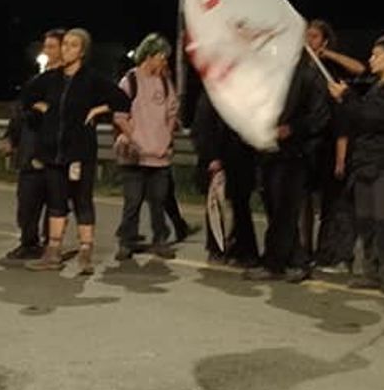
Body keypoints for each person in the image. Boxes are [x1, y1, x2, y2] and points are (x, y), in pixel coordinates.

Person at [20, 28, 131, 276]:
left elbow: (122, 100)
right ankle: (53, 252)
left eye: (72, 45)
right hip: (53, 154)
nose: (66, 49)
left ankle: (85, 253)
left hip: (80, 153)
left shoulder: (91, 79)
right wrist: (43, 108)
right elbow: (26, 96)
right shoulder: (51, 79)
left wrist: (98, 110)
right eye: (65, 44)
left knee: (82, 201)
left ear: (82, 51)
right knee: (57, 204)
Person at [329, 34, 384, 300]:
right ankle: (370, 271)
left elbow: (377, 118)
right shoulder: (375, 88)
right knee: (366, 221)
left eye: (376, 54)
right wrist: (345, 100)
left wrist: (348, 97)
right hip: (366, 162)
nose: (371, 60)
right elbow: (359, 119)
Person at [248, 53, 331, 282]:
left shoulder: (309, 76)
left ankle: (276, 263)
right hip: (270, 153)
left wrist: (292, 129)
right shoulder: (275, 77)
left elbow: (320, 117)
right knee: (276, 210)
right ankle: (294, 260)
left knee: (285, 210)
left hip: (296, 154)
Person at [114, 33, 180, 262]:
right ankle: (127, 241)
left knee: (158, 200)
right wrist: (135, 138)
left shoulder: (165, 82)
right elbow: (120, 116)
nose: (164, 62)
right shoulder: (129, 81)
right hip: (134, 155)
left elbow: (172, 113)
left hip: (159, 155)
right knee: (132, 201)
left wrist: (166, 137)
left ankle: (160, 239)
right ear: (150, 56)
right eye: (162, 57)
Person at [2, 28, 65, 262]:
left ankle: (51, 244)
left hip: (54, 153)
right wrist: (11, 137)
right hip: (30, 150)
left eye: (52, 47)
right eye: (45, 47)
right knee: (27, 201)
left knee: (54, 201)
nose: (47, 51)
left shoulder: (67, 82)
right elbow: (20, 111)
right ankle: (28, 242)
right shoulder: (36, 80)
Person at [306, 20, 361, 272]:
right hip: (312, 143)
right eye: (307, 36)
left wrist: (327, 54)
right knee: (321, 205)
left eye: (315, 36)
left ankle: (342, 255)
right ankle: (322, 252)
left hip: (335, 141)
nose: (310, 40)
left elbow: (359, 68)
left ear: (325, 40)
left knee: (339, 204)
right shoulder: (304, 68)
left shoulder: (331, 68)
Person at [193, 93, 260, 266]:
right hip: (219, 160)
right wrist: (212, 157)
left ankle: (244, 249)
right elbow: (203, 130)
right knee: (216, 208)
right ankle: (217, 248)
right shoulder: (210, 98)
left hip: (240, 159)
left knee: (241, 207)